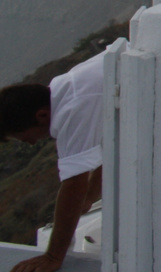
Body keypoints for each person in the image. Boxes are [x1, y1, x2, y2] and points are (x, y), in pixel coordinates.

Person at [0, 50, 107, 272]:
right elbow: (111, 150)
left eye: (24, 136)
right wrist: (90, 197)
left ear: (41, 115)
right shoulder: (70, 87)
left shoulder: (73, 109)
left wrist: (53, 257)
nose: (30, 143)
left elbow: (73, 184)